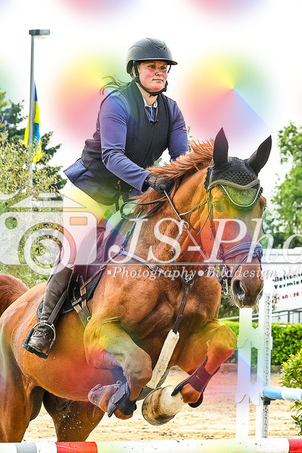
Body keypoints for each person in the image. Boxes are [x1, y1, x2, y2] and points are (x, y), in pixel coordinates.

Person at [24, 37, 189, 358]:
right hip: (91, 188)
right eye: (152, 67)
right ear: (135, 70)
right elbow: (112, 156)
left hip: (133, 193)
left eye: (163, 67)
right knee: (79, 247)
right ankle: (45, 324)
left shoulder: (172, 111)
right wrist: (149, 178)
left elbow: (181, 158)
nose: (159, 72)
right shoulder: (117, 102)